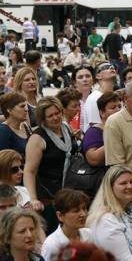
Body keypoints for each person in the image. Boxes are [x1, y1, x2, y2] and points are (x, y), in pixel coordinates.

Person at [24, 97, 79, 233]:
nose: (55, 118)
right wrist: (33, 199)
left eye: (57, 113)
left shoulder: (66, 127)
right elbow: (29, 171)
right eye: (50, 116)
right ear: (43, 118)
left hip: (70, 191)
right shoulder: (37, 138)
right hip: (49, 197)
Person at [40, 189, 92, 261]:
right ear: (60, 216)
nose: (83, 214)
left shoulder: (90, 234)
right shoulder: (52, 244)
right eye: (76, 211)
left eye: (84, 209)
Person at [83, 62, 116, 132]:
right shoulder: (93, 99)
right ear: (98, 76)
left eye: (112, 66)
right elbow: (96, 127)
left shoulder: (116, 97)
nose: (111, 68)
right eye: (105, 67)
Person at [71, 65, 94, 132]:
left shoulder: (98, 99)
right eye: (80, 77)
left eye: (88, 76)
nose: (85, 79)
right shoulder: (67, 101)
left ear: (93, 80)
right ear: (74, 82)